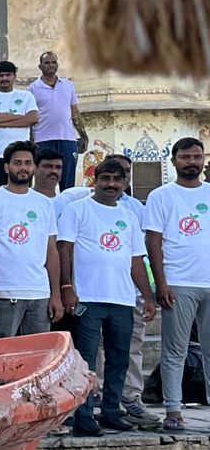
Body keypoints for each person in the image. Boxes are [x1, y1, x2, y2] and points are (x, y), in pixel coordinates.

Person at [59, 156, 156, 435]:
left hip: (123, 299)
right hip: (88, 298)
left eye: (117, 180)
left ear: (125, 183)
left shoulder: (128, 216)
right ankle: (84, 415)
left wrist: (147, 297)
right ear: (95, 181)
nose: (111, 184)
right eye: (106, 179)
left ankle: (111, 411)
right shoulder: (77, 210)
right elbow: (64, 250)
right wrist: (67, 287)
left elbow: (137, 260)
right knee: (87, 360)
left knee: (119, 359)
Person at [144, 137, 210, 434]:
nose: (192, 162)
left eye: (197, 156)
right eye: (185, 157)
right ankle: (173, 410)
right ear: (174, 161)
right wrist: (161, 283)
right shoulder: (161, 196)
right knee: (175, 351)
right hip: (179, 282)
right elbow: (153, 242)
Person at [0, 140, 61, 338]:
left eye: (28, 163)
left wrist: (55, 293)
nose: (23, 167)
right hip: (2, 293)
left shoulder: (45, 204)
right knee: (0, 358)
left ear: (34, 167)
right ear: (6, 167)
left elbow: (51, 250)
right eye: (17, 163)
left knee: (38, 358)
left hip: (39, 293)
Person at [0, 61, 39, 190]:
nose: (4, 78)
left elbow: (33, 118)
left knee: (22, 194)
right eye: (0, 75)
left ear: (15, 76)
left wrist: (1, 119)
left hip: (22, 157)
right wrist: (22, 118)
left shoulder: (26, 96)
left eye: (8, 75)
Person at [29, 51, 83, 190]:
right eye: (47, 63)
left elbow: (75, 113)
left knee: (68, 182)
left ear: (57, 65)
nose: (50, 65)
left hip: (68, 139)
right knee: (44, 180)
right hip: (43, 140)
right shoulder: (32, 89)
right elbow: (30, 119)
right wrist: (30, 143)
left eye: (53, 62)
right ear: (40, 66)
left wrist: (83, 135)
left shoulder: (68, 85)